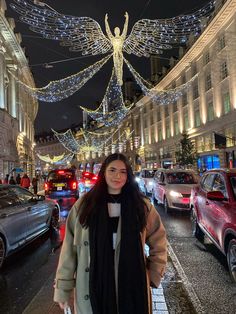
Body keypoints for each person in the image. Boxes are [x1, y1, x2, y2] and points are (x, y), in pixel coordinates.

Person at [54, 153, 167, 314]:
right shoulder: (85, 206)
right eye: (112, 170)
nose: (117, 176)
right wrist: (63, 288)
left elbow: (159, 240)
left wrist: (154, 272)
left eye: (123, 172)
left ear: (128, 176)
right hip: (93, 285)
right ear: (104, 173)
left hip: (132, 285)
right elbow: (69, 251)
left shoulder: (140, 206)